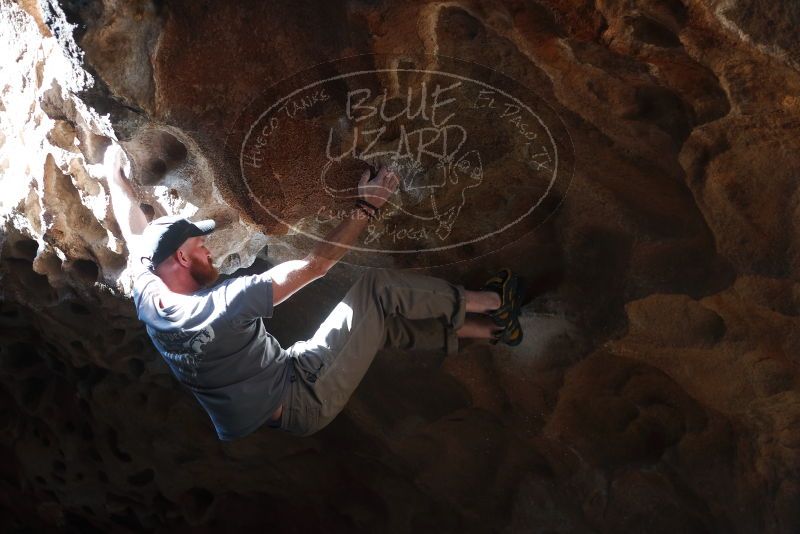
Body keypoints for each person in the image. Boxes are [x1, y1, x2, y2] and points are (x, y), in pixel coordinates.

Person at [105, 143, 523, 439]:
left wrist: (114, 176)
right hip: (303, 395)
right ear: (180, 260)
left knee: (375, 327)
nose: (210, 253)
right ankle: (495, 302)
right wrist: (368, 207)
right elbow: (315, 267)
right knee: (375, 290)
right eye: (201, 248)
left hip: (287, 381)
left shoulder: (148, 293)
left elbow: (134, 229)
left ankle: (488, 331)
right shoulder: (223, 305)